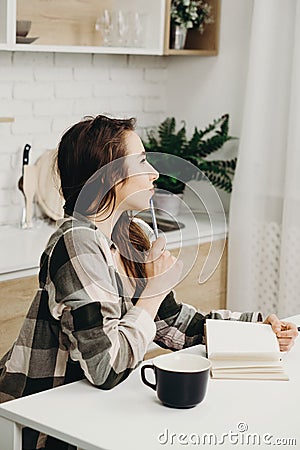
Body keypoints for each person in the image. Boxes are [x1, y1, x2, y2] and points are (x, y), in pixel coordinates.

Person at [0, 115, 298, 450]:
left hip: (87, 413)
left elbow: (175, 325)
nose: (155, 173)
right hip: (37, 424)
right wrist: (153, 290)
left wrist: (257, 329)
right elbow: (105, 368)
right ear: (109, 176)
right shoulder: (76, 243)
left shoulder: (131, 235)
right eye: (142, 161)